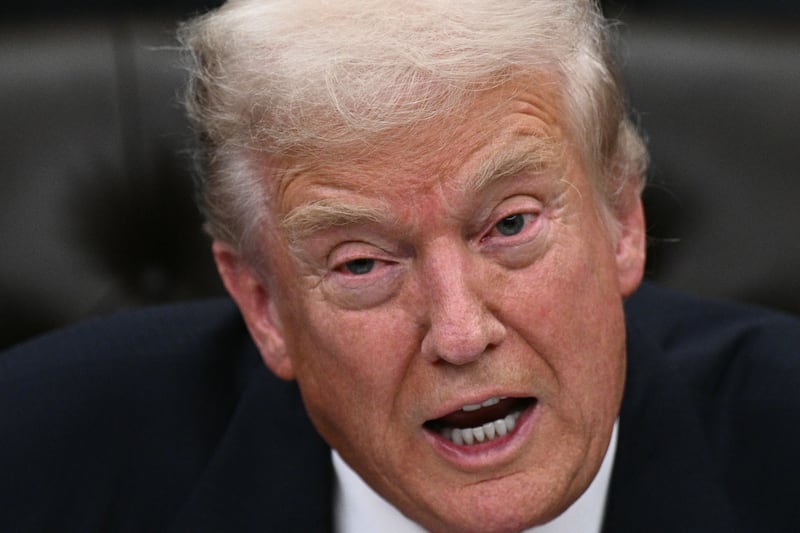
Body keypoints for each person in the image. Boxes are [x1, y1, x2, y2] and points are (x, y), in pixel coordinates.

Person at [1, 0, 798, 531]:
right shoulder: (37, 459)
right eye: (361, 264)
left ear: (622, 219)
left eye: (510, 225)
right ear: (264, 304)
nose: (458, 331)